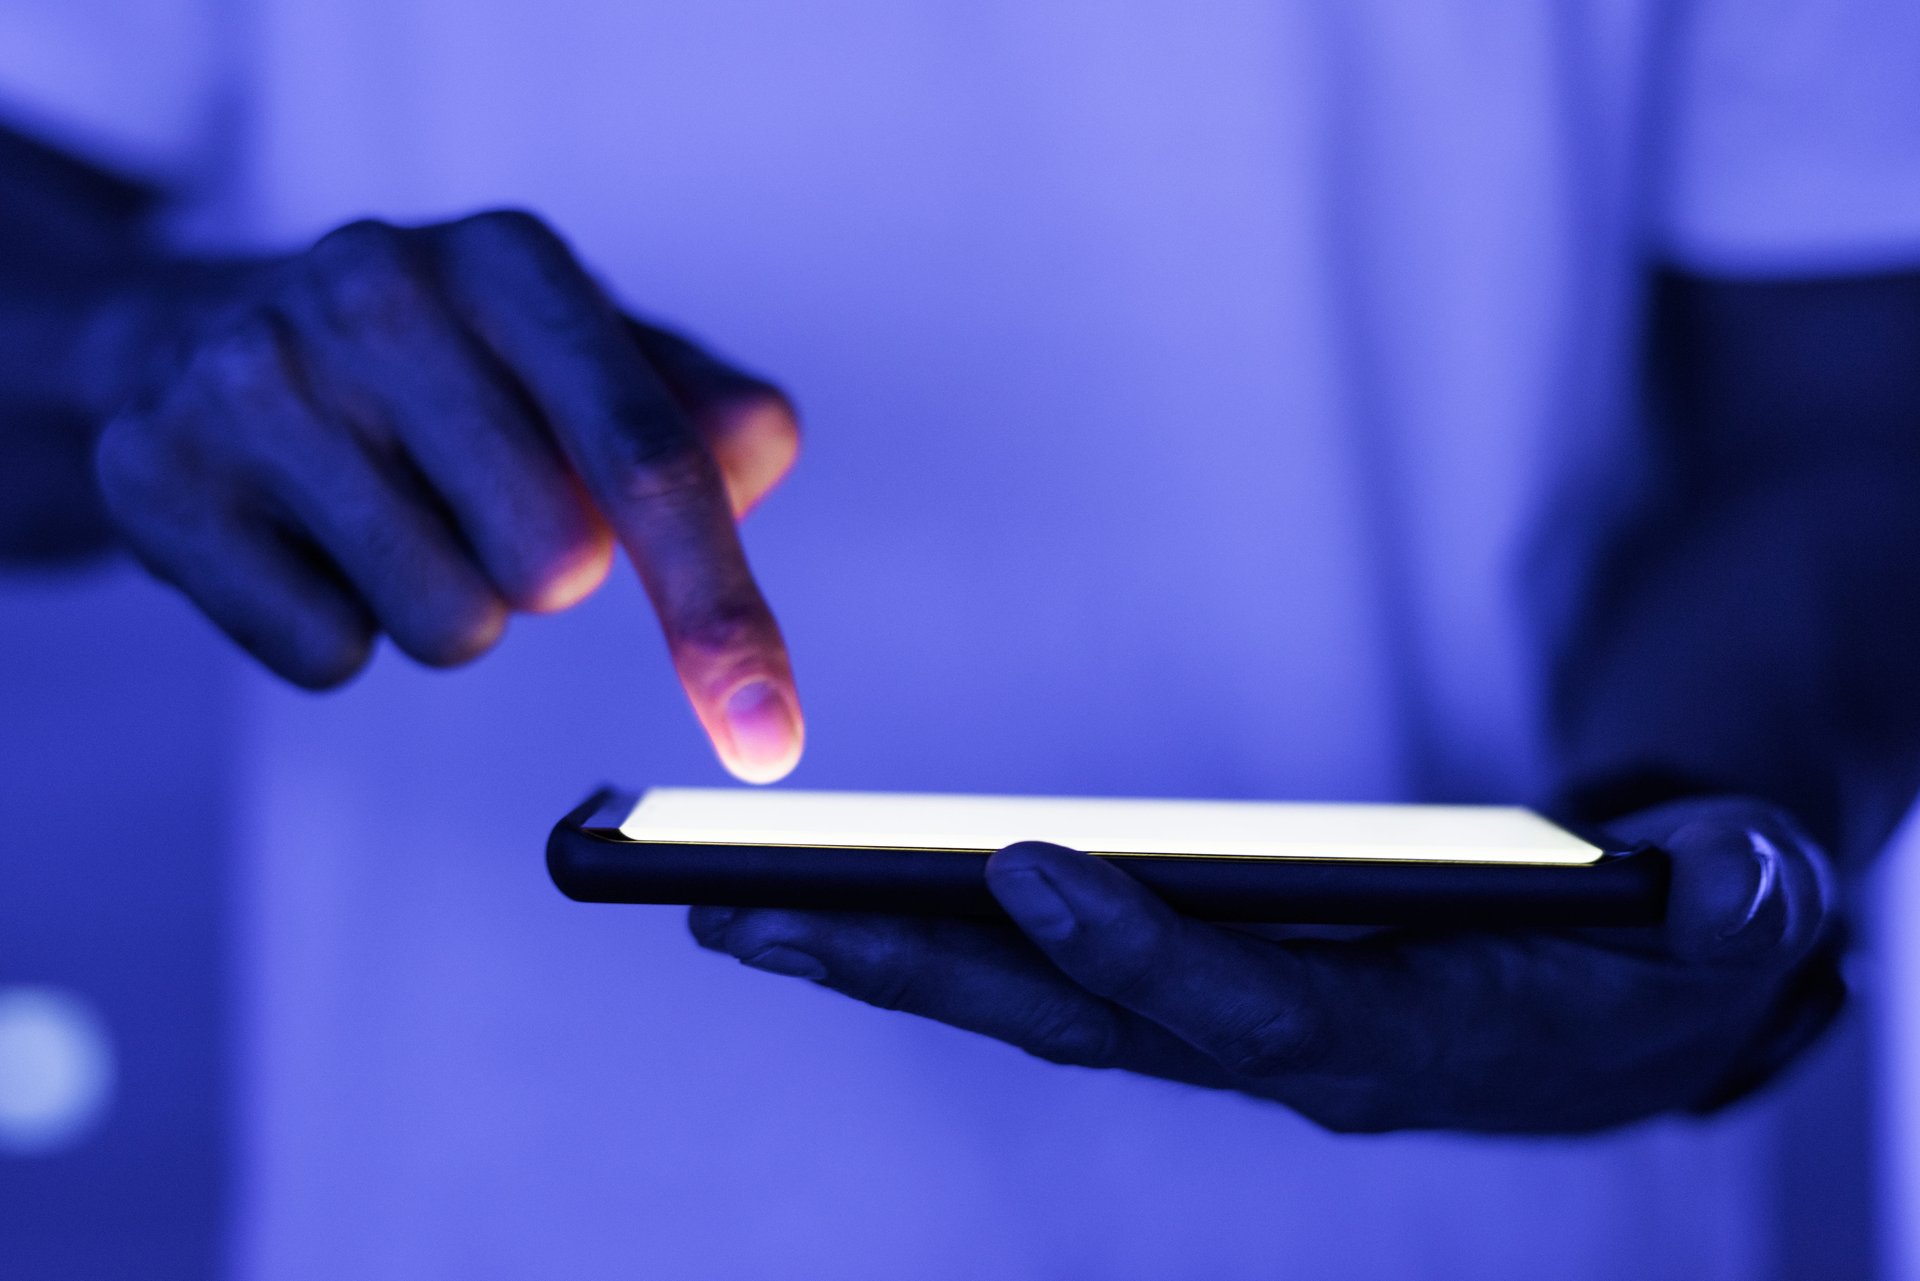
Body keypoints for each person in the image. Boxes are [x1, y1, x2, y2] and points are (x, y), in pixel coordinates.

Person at [2, 1, 1917, 1275]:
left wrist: (1700, 848)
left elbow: (1855, 407)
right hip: (510, 1211)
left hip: (1496, 1222)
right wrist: (132, 347)